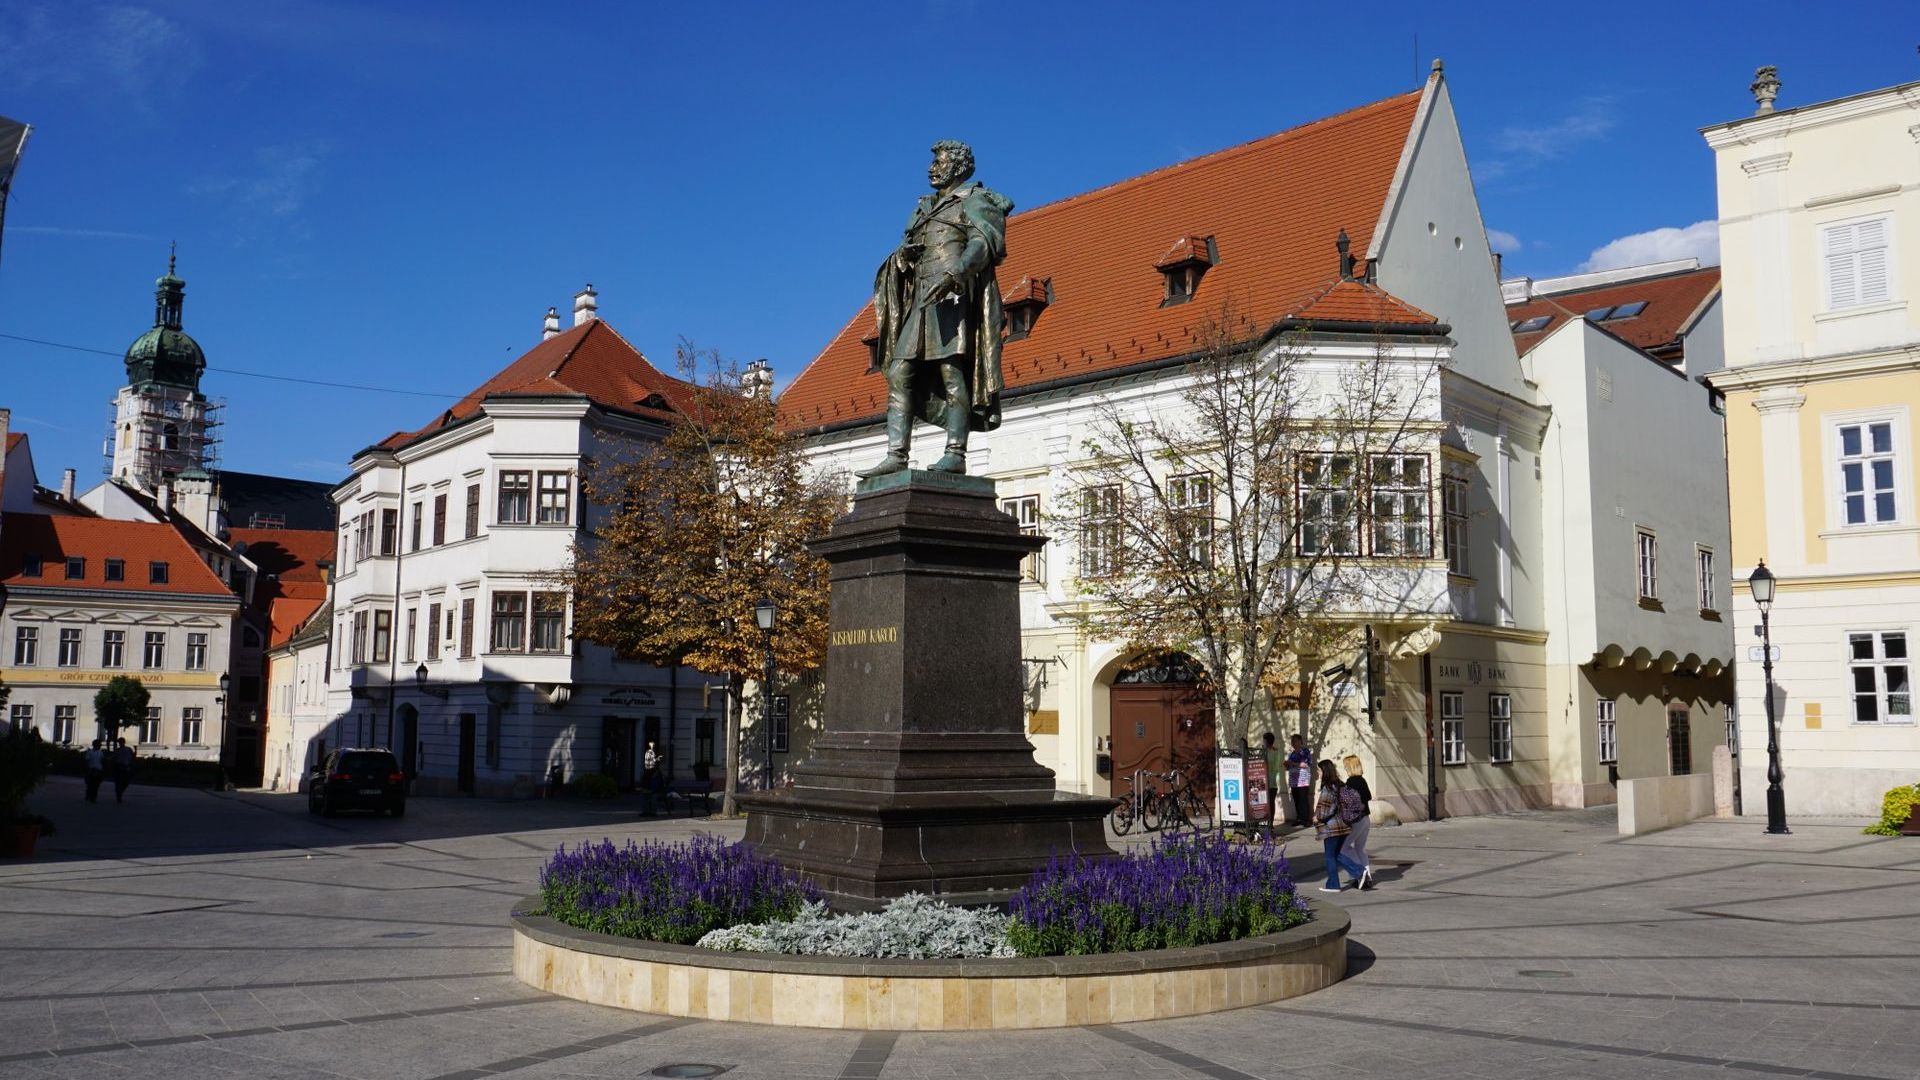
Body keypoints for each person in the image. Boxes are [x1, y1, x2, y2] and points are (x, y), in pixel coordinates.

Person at [859, 140, 1014, 477]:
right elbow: (904, 252)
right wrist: (903, 257)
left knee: (951, 372)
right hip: (922, 298)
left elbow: (984, 242)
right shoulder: (924, 208)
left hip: (953, 296)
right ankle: (896, 455)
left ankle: (955, 452)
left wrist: (957, 271)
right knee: (900, 371)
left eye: (939, 162)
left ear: (957, 167)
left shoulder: (974, 200)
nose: (931, 168)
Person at [1313, 760, 1368, 893]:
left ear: (1324, 771)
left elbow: (1325, 811)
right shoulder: (1340, 784)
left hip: (1332, 828)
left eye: (1319, 770)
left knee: (1329, 856)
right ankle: (1359, 872)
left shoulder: (1328, 788)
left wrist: (1316, 817)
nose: (1318, 772)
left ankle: (1333, 885)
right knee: (1336, 854)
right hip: (1343, 826)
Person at [1342, 754, 1375, 888]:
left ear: (1350, 767)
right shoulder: (1362, 780)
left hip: (1357, 820)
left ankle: (1359, 874)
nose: (1344, 768)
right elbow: (1368, 796)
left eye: (1345, 766)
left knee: (1343, 848)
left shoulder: (1351, 782)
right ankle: (1367, 876)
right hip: (1366, 819)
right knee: (1360, 849)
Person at [1286, 734, 1315, 828]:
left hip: (1303, 780)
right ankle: (1299, 818)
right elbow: (1289, 767)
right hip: (1294, 781)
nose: (1293, 743)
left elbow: (1305, 764)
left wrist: (1292, 763)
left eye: (1295, 741)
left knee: (1303, 799)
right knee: (1297, 800)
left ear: (1300, 741)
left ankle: (1306, 820)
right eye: (1292, 741)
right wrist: (1287, 764)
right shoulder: (1292, 754)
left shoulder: (1305, 751)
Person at [110, 737, 136, 803]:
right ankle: (119, 795)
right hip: (119, 767)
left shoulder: (128, 749)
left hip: (125, 767)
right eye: (119, 742)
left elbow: (131, 758)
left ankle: (120, 792)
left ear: (124, 742)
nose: (120, 743)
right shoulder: (117, 750)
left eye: (121, 742)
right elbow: (114, 759)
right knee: (118, 783)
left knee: (125, 782)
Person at [640, 740, 662, 816]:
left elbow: (658, 785)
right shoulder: (647, 772)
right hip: (649, 790)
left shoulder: (656, 772)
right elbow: (644, 782)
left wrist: (651, 790)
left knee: (653, 796)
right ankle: (645, 812)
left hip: (655, 791)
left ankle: (652, 812)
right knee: (644, 795)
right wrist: (644, 789)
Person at [82, 739, 106, 803]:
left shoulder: (100, 752)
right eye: (98, 745)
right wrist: (87, 769)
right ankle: (89, 794)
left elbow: (102, 761)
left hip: (98, 770)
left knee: (96, 785)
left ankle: (93, 797)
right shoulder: (90, 752)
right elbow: (86, 760)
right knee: (90, 784)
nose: (99, 746)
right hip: (91, 769)